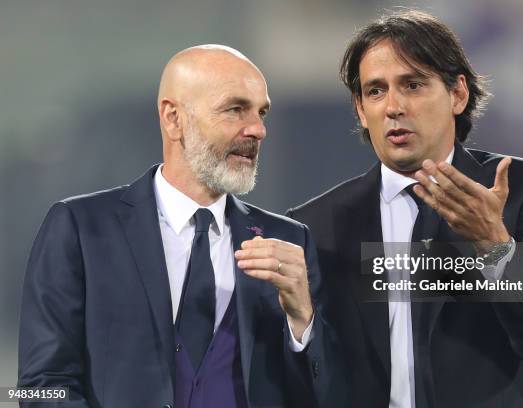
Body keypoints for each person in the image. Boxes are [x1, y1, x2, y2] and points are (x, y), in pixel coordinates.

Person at [18, 45, 343, 408]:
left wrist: (303, 319)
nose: (258, 129)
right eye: (235, 109)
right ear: (173, 118)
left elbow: (328, 395)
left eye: (261, 112)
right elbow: (40, 387)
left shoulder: (289, 241)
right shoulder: (80, 229)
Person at [288, 11, 523, 408]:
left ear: (458, 94)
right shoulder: (314, 225)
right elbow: (299, 375)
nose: (393, 106)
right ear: (360, 109)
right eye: (375, 91)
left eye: (412, 84)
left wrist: (496, 249)